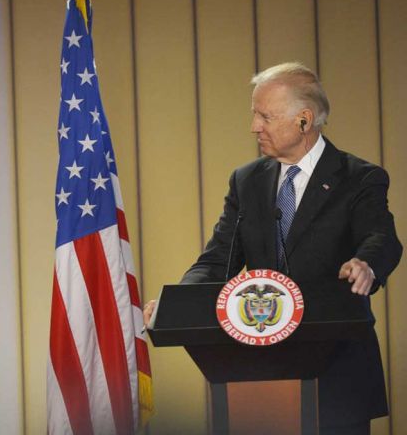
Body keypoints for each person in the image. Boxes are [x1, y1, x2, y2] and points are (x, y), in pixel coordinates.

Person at [143, 62, 401, 435]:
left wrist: (367, 264)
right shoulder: (248, 181)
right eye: (254, 115)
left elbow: (382, 237)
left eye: (265, 116)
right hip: (259, 377)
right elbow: (219, 258)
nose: (254, 127)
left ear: (304, 120)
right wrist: (177, 303)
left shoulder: (358, 177)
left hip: (336, 372)